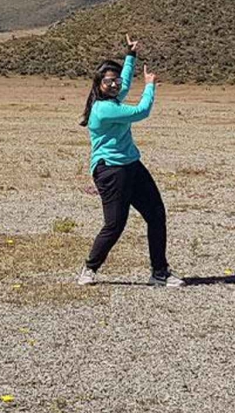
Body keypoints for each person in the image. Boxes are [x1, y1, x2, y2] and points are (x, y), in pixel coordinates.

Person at [76, 35, 183, 287]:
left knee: (156, 215)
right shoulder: (104, 109)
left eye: (115, 80)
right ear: (98, 84)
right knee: (115, 224)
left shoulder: (112, 97)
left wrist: (130, 55)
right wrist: (149, 85)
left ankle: (159, 272)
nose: (115, 84)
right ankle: (89, 268)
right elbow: (140, 112)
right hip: (111, 171)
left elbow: (123, 84)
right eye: (108, 81)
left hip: (132, 165)